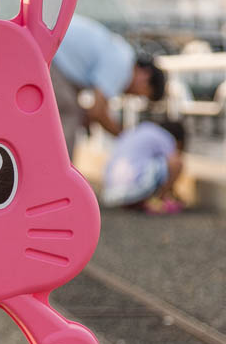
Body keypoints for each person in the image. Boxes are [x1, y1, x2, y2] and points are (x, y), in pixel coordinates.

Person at [51, 15, 167, 156]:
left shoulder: (121, 52)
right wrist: (127, 137)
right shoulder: (122, 66)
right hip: (53, 56)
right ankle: (54, 172)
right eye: (141, 94)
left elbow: (91, 110)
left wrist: (89, 117)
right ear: (145, 76)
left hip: (53, 48)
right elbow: (97, 111)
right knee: (70, 114)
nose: (133, 96)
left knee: (68, 112)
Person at [102, 120, 185, 214]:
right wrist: (168, 193)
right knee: (177, 163)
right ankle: (156, 201)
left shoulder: (138, 130)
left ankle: (134, 202)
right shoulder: (166, 137)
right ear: (179, 141)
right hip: (133, 189)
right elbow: (173, 162)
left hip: (110, 193)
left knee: (144, 163)